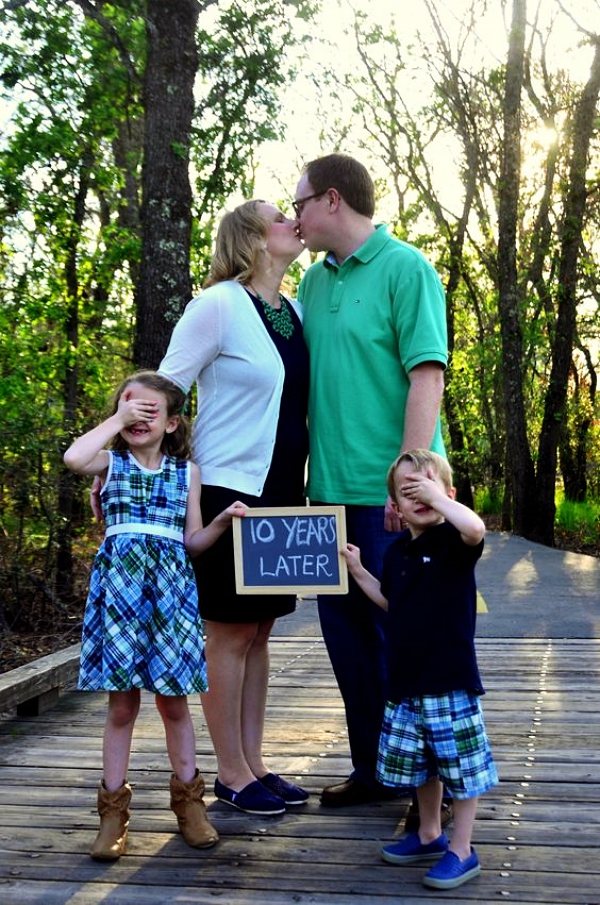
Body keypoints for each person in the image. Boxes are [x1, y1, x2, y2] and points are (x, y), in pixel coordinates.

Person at [294, 153, 448, 809]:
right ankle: (375, 770)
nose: (293, 214)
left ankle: (428, 792)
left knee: (406, 641)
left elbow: (428, 375)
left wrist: (409, 485)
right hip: (327, 495)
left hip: (393, 501)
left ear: (332, 200)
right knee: (349, 643)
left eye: (298, 201)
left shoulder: (406, 268)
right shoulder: (311, 286)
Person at [157, 200, 310, 816]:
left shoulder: (294, 312)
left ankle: (255, 763)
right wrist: (129, 460)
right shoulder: (217, 304)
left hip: (282, 490)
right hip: (226, 489)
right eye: (280, 216)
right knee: (229, 631)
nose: (292, 223)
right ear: (251, 238)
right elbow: (166, 386)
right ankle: (228, 773)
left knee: (262, 630)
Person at [64, 371, 246, 860]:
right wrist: (115, 420)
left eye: (149, 411)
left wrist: (222, 522)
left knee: (173, 704)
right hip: (121, 597)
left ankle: (190, 806)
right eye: (129, 408)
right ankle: (112, 815)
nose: (137, 418)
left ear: (171, 423)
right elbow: (74, 457)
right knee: (121, 707)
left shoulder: (186, 472)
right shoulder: (110, 463)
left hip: (172, 599)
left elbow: (191, 542)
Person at [342, 449, 497, 890]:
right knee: (421, 766)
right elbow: (392, 603)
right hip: (406, 681)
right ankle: (429, 833)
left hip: (450, 680)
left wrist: (440, 498)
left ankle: (462, 849)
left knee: (460, 768)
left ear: (448, 494)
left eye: (427, 486)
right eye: (409, 491)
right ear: (394, 507)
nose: (420, 496)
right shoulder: (395, 554)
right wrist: (357, 571)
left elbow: (475, 527)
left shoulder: (455, 542)